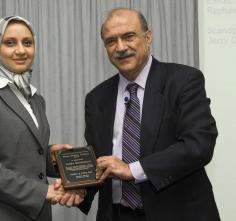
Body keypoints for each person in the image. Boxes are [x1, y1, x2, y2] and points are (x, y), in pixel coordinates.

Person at [78, 8, 220, 221]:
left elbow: (199, 145)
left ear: (148, 37)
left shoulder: (184, 81)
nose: (121, 47)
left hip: (178, 213)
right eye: (111, 41)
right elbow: (99, 162)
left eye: (128, 36)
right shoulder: (97, 98)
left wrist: (133, 170)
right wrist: (77, 188)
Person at [0, 16, 83, 221]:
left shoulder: (35, 98)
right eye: (10, 43)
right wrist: (42, 192)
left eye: (27, 42)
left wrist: (51, 156)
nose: (21, 50)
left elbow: (23, 153)